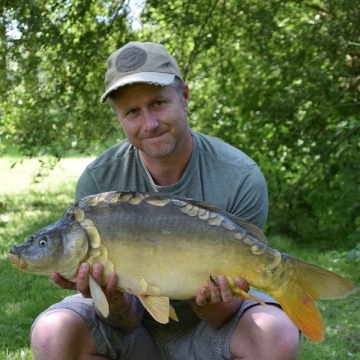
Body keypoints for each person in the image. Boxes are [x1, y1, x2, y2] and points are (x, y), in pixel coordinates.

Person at [30, 41, 300, 359]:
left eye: (158, 103)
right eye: (132, 112)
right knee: (52, 332)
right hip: (133, 334)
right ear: (119, 117)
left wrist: (212, 303)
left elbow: (221, 315)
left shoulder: (239, 176)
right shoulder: (97, 186)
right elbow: (123, 320)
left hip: (212, 330)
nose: (149, 123)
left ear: (184, 96)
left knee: (276, 334)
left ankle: (295, 284)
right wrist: (113, 298)